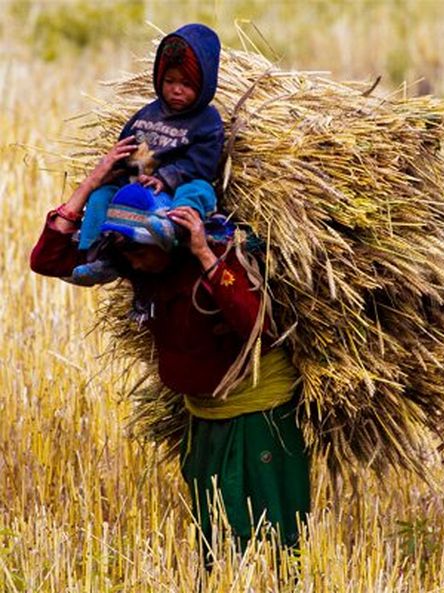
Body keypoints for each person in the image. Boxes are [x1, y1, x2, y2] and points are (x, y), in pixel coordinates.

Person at [30, 138, 310, 567]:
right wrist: (95, 180)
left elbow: (260, 328)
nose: (135, 262)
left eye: (142, 249)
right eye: (127, 251)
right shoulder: (133, 264)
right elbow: (47, 261)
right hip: (203, 415)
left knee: (272, 528)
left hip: (258, 415)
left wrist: (201, 251)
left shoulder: (211, 256)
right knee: (216, 529)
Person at [72, 23, 225, 286]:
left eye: (187, 84)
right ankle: (96, 253)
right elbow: (128, 146)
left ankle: (172, 227)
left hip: (176, 188)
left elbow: (202, 163)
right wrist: (120, 169)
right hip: (138, 184)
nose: (176, 90)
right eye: (170, 81)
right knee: (100, 196)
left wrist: (166, 179)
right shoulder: (147, 114)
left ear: (205, 84)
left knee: (198, 190)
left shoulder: (207, 121)